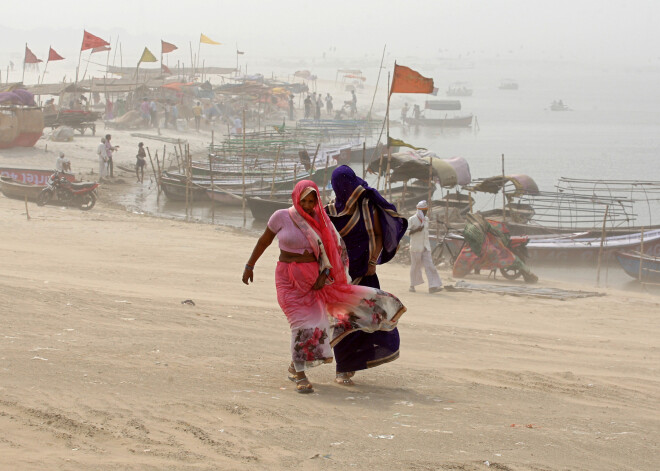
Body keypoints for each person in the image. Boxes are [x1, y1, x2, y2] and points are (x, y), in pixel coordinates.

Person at [242, 180, 406, 394]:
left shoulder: (321, 220)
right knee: (300, 323)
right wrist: (250, 265)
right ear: (296, 197)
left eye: (312, 201)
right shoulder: (281, 216)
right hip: (287, 279)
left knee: (317, 322)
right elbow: (264, 241)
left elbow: (332, 250)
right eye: (305, 200)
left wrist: (325, 273)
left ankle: (295, 366)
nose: (309, 205)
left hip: (314, 281)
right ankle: (300, 374)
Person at [326, 166, 408, 385]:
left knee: (368, 320)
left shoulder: (367, 206)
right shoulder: (330, 211)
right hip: (340, 277)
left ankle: (354, 363)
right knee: (342, 322)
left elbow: (379, 234)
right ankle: (342, 368)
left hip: (365, 272)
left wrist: (372, 261)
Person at [408, 201, 443, 293]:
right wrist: (416, 230)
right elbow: (406, 232)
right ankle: (412, 285)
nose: (425, 212)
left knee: (430, 266)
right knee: (415, 266)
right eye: (423, 211)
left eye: (426, 210)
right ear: (419, 211)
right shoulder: (412, 219)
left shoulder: (426, 219)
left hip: (426, 247)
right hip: (416, 247)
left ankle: (433, 286)